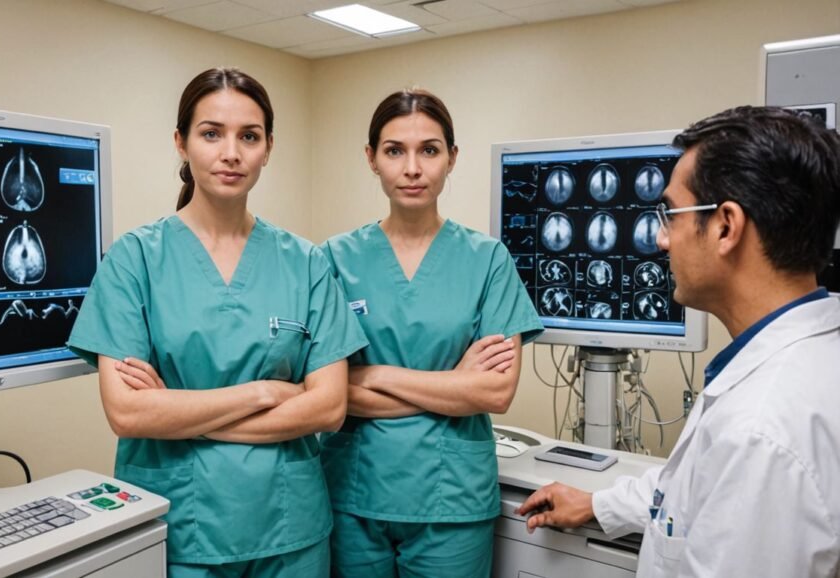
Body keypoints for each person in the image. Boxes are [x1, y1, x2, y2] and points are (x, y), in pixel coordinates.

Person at [67, 68, 367, 578]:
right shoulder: (134, 260)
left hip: (289, 531)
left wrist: (179, 413)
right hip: (182, 530)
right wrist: (267, 393)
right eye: (211, 134)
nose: (231, 153)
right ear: (181, 143)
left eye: (248, 137)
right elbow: (128, 414)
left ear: (268, 147)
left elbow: (331, 407)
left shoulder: (305, 261)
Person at [517, 106, 840, 577]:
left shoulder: (762, 433)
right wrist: (601, 503)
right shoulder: (806, 364)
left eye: (670, 214)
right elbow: (697, 493)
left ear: (726, 226)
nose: (662, 241)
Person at [319, 89, 544, 578]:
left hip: (452, 504)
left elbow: (495, 391)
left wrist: (374, 374)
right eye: (394, 150)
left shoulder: (487, 261)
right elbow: (324, 393)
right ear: (371, 159)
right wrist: (453, 384)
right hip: (354, 496)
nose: (412, 168)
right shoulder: (335, 260)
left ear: (452, 158)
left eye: (429, 150)